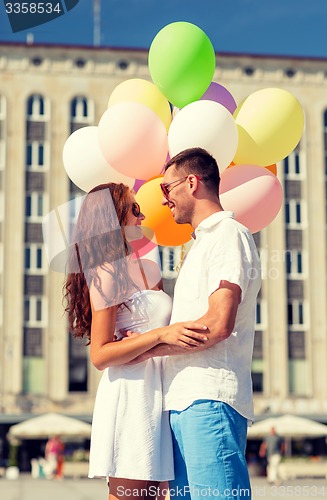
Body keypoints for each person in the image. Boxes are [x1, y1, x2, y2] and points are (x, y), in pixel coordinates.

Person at [128, 147, 262, 500]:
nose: (164, 200)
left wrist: (147, 349)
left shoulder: (228, 234)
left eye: (166, 189)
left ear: (192, 182)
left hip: (210, 399)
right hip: (184, 401)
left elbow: (218, 323)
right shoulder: (201, 244)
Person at [63, 182, 208, 500]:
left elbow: (163, 330)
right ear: (113, 218)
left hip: (162, 392)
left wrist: (152, 339)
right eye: (134, 209)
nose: (142, 216)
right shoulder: (105, 272)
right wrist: (156, 335)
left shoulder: (149, 270)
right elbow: (100, 355)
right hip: (131, 395)